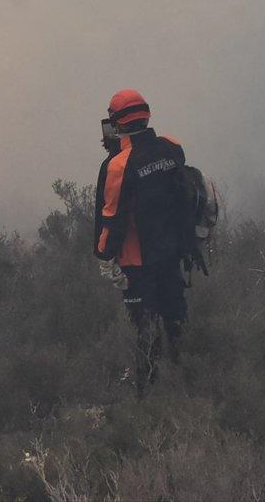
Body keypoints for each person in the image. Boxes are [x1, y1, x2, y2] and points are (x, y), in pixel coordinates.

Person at [93, 89, 189, 392]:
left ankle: (148, 395)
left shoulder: (119, 165)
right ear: (146, 115)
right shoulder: (171, 148)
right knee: (176, 319)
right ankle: (185, 379)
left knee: (145, 328)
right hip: (172, 253)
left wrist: (104, 256)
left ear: (116, 122)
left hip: (137, 261)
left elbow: (112, 217)